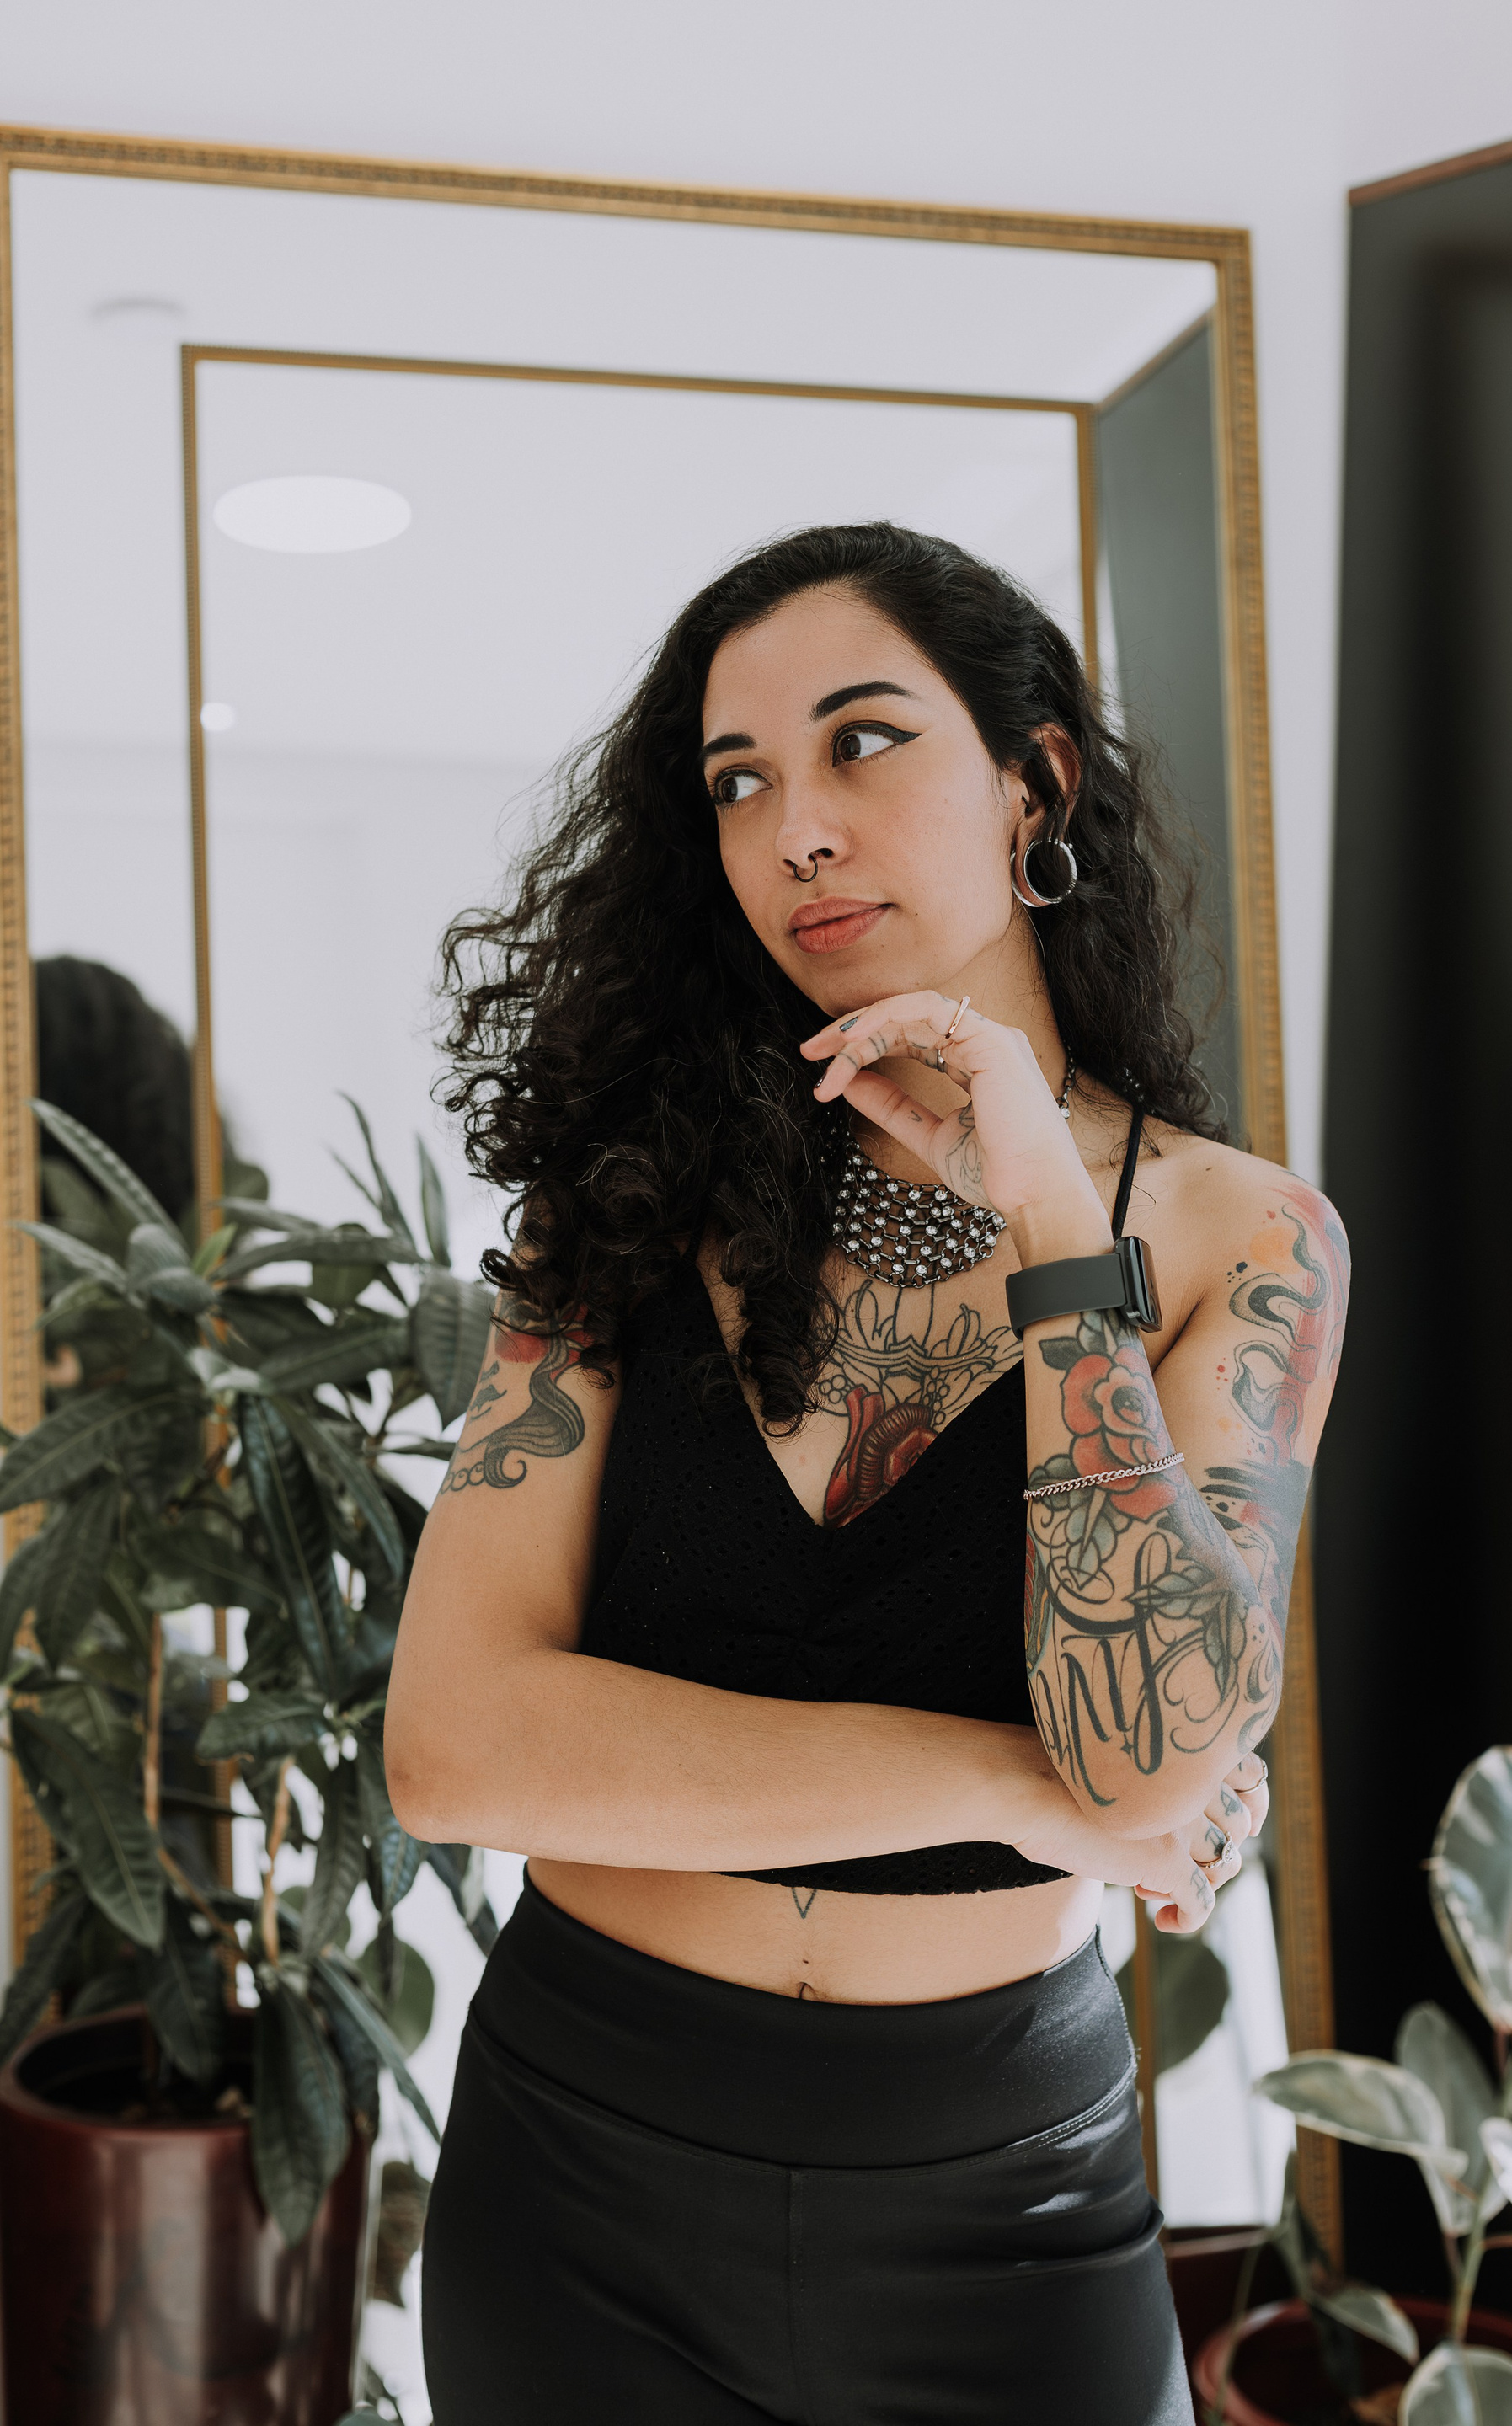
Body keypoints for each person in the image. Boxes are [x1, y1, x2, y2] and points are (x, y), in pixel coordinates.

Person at [389, 523, 1348, 2423]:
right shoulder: (622, 1204)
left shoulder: (1250, 1243)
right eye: (738, 780)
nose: (797, 830)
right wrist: (1012, 1793)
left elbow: (1150, 1763)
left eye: (862, 740)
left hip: (1005, 2203)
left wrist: (1053, 1219)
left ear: (1033, 780)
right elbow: (458, 1748)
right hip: (577, 2175)